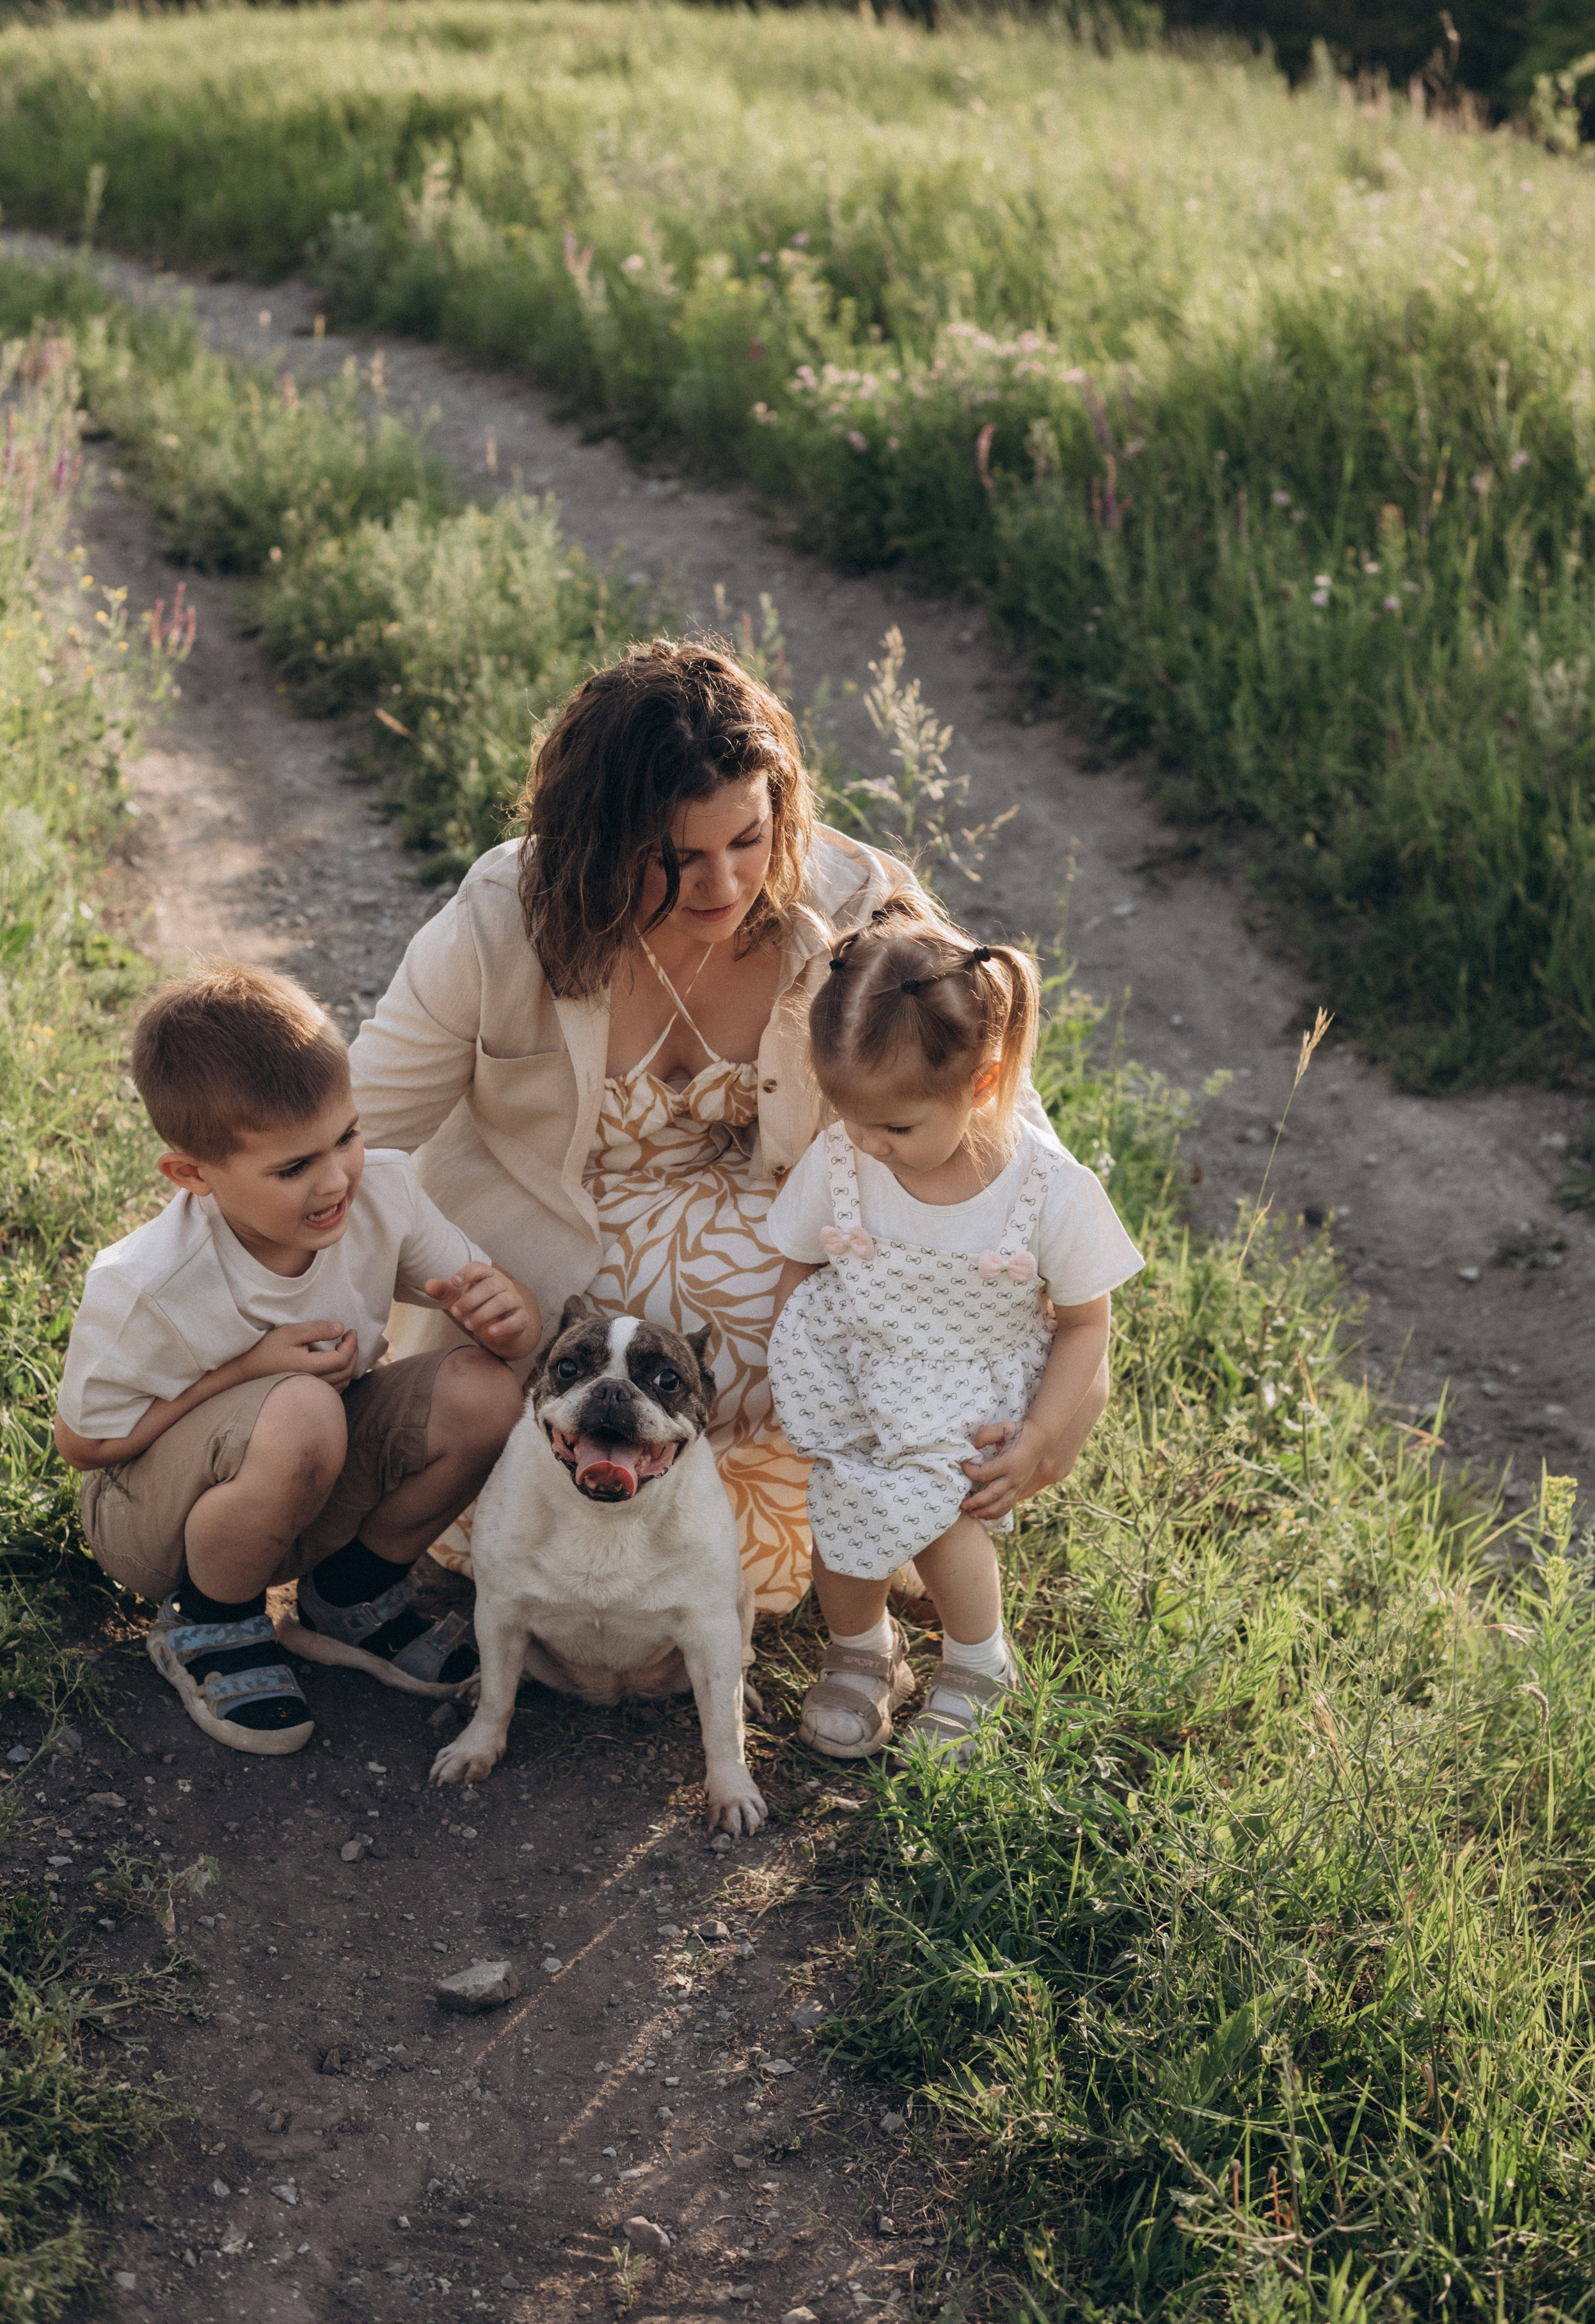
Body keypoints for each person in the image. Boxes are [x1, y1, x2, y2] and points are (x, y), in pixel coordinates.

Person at [349, 638, 1105, 1614]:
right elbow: (358, 1139)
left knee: (880, 1324)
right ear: (595, 841)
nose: (723, 885)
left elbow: (1018, 1154)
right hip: (543, 1268)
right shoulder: (504, 918)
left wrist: (1070, 1392)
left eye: (748, 840)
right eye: (674, 858)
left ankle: (843, 1539)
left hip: (787, 1265)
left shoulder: (858, 905)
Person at [54, 965, 540, 1755]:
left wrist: (511, 1314)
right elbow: (82, 1443)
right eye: (291, 1168)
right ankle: (209, 1622)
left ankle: (349, 1598)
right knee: (302, 1406)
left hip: (305, 1469)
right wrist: (245, 1371)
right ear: (193, 1174)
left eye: (346, 1135)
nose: (335, 1179)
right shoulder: (150, 1281)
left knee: (487, 1393)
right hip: (154, 1521)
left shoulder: (381, 1192)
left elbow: (490, 1316)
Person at [766, 900, 1144, 1762]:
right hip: (858, 1366)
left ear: (981, 1085)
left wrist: (1045, 1432)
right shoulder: (846, 1156)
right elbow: (798, 1262)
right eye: (850, 1115)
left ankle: (980, 1662)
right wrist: (790, 1361)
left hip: (973, 1381)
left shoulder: (1047, 1189)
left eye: (896, 1126)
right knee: (844, 1505)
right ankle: (863, 1651)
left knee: (944, 1517)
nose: (868, 1143)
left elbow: (1088, 1323)